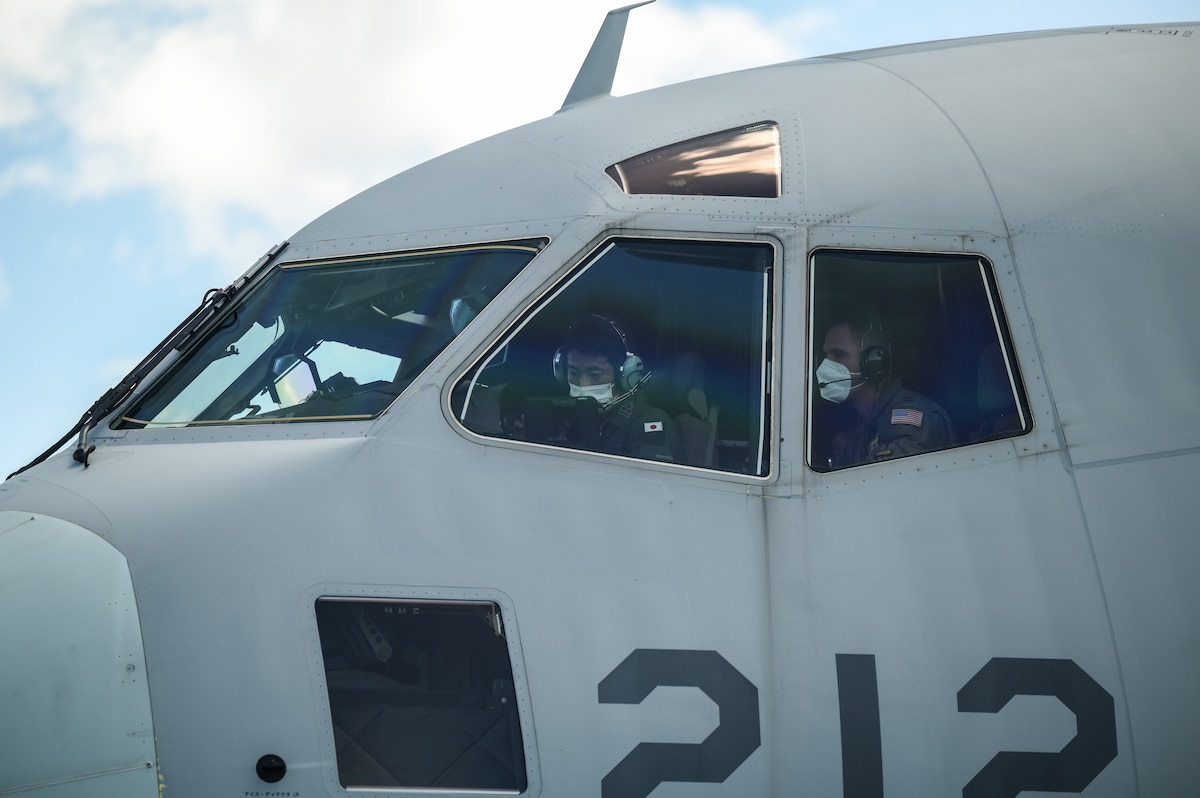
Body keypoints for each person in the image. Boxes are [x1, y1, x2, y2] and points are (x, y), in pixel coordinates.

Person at [816, 318, 955, 468]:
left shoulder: (910, 417)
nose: (826, 366)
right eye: (826, 356)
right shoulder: (859, 435)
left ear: (873, 363)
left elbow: (888, 481)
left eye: (838, 355)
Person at [550, 314, 676, 462]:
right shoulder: (563, 418)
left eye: (595, 375)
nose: (583, 385)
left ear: (624, 375)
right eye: (574, 373)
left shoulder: (650, 424)